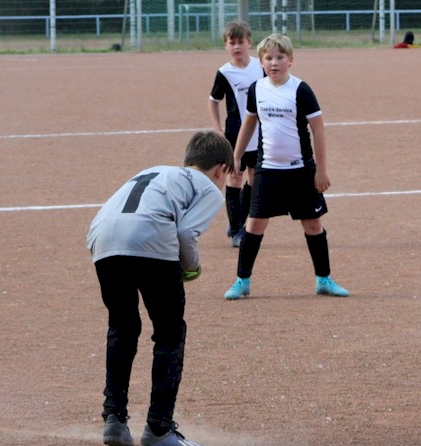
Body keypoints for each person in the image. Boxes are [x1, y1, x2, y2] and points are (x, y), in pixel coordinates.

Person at [87, 131, 231, 446]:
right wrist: (191, 268)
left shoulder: (154, 171)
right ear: (221, 169)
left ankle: (114, 420)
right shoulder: (208, 187)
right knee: (169, 333)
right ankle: (159, 430)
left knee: (123, 327)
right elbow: (185, 233)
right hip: (150, 238)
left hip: (102, 240)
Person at [223, 34, 349, 300]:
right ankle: (242, 281)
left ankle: (323, 280)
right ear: (261, 63)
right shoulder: (257, 89)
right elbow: (249, 123)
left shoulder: (301, 90)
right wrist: (236, 155)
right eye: (268, 58)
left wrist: (321, 170)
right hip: (267, 170)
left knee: (313, 224)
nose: (274, 62)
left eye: (280, 57)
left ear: (290, 60)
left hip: (301, 170)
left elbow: (319, 131)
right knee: (254, 224)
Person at [209, 20, 265, 248]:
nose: (237, 46)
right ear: (226, 46)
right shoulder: (224, 73)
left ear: (249, 43)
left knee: (255, 178)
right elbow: (213, 101)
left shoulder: (260, 67)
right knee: (235, 177)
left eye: (241, 42)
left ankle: (239, 220)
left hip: (260, 133)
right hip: (234, 134)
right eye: (232, 43)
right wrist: (217, 129)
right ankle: (235, 230)